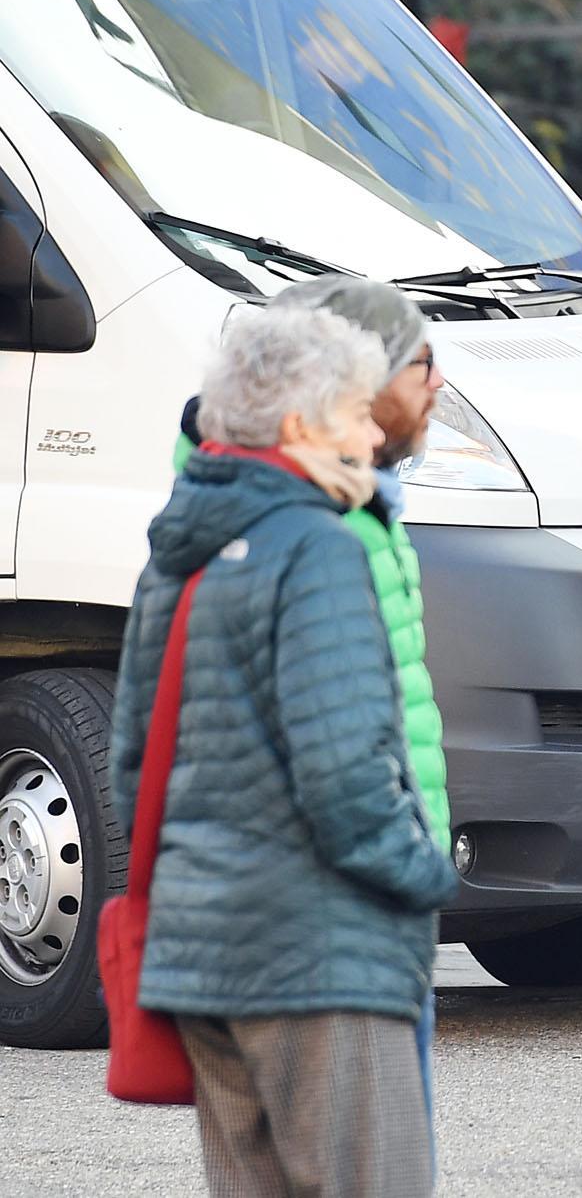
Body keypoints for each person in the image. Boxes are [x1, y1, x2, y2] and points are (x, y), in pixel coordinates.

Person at [113, 304, 461, 1196]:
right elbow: (348, 777)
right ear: (304, 427)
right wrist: (428, 874)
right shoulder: (318, 547)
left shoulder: (179, 551)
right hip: (324, 959)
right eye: (353, 412)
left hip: (206, 969)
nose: (367, 433)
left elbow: (132, 768)